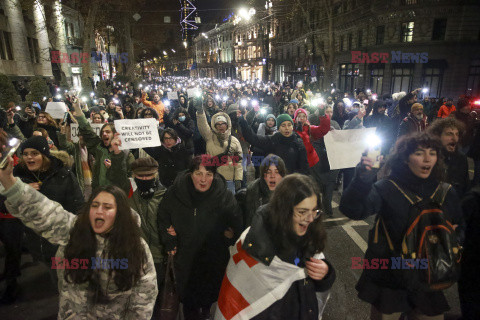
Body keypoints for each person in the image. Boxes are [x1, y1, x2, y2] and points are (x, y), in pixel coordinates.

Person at [0, 158, 158, 318]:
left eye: (107, 207)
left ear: (120, 214)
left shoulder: (136, 247)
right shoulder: (73, 230)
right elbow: (42, 210)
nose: (99, 211)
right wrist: (8, 180)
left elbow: (144, 298)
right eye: (95, 205)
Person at [339, 132, 464, 319]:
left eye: (432, 152)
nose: (427, 158)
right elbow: (353, 210)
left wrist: (456, 238)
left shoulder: (445, 191)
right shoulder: (386, 187)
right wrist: (362, 179)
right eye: (419, 153)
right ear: (405, 158)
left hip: (429, 278)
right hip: (391, 280)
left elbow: (460, 226)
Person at [215, 174, 336, 320]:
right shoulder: (254, 243)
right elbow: (237, 304)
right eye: (302, 212)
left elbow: (309, 286)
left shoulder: (308, 235)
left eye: (314, 211)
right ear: (283, 210)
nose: (310, 219)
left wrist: (326, 274)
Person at [158, 156, 242, 320]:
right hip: (185, 259)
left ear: (214, 175)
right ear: (190, 174)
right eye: (198, 173)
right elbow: (163, 216)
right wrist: (169, 238)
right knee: (189, 305)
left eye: (208, 174)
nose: (203, 179)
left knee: (209, 303)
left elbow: (237, 223)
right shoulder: (176, 193)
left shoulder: (224, 196)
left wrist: (229, 237)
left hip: (213, 260)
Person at [13, 136, 84, 285]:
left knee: (66, 280)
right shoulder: (18, 177)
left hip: (61, 239)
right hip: (36, 240)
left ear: (44, 155)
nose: (29, 157)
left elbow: (79, 206)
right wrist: (21, 192)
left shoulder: (64, 175)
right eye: (25, 154)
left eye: (34, 153)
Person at [73, 101, 134, 191]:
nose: (104, 134)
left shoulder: (126, 154)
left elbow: (130, 179)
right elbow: (87, 129)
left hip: (117, 195)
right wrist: (78, 109)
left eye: (108, 132)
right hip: (99, 191)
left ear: (115, 134)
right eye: (102, 132)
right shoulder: (98, 148)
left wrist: (113, 169)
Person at [195, 99, 243, 194]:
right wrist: (200, 112)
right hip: (212, 178)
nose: (221, 126)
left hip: (229, 180)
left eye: (223, 124)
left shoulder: (234, 141)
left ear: (227, 124)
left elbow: (238, 161)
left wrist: (238, 178)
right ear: (214, 126)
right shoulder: (210, 137)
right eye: (218, 124)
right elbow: (203, 125)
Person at [239, 113, 309, 174]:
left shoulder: (298, 142)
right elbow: (253, 138)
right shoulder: (272, 141)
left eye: (289, 125)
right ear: (278, 128)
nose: (287, 128)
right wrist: (243, 121)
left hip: (291, 182)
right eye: (283, 125)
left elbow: (304, 166)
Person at [236, 154, 287, 227]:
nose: (272, 176)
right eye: (269, 172)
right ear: (263, 175)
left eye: (277, 172)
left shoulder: (289, 193)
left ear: (282, 175)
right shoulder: (252, 191)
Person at [428, 117, 469, 198]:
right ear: (438, 136)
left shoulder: (461, 158)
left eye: (457, 134)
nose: (454, 138)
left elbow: (465, 187)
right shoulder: (429, 157)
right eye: (449, 134)